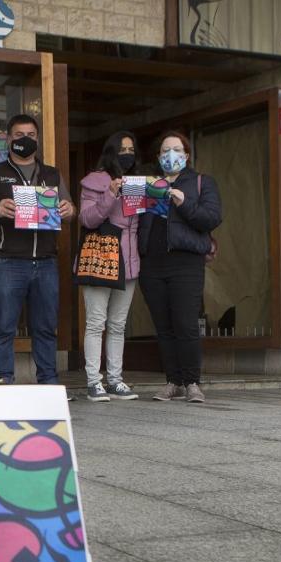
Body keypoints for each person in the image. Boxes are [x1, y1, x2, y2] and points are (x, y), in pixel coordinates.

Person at [0, 114, 76, 389]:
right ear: (8, 138)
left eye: (30, 135)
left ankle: (48, 382)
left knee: (46, 327)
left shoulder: (51, 174)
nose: (25, 139)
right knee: (4, 326)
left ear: (37, 138)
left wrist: (68, 210)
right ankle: (3, 380)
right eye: (18, 135)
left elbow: (70, 210)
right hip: (7, 261)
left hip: (46, 261)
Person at [138, 131, 222, 403]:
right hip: (152, 264)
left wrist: (184, 203)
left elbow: (212, 218)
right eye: (165, 151)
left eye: (176, 149)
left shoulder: (201, 182)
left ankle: (192, 382)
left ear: (186, 155)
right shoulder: (150, 185)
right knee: (163, 327)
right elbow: (133, 219)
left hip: (186, 263)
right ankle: (172, 381)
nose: (170, 155)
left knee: (186, 324)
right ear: (158, 156)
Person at [79, 131, 141, 402]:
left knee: (118, 325)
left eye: (131, 150)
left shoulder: (136, 183)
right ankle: (94, 382)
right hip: (101, 258)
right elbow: (87, 219)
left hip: (129, 261)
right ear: (110, 153)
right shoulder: (95, 181)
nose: (127, 154)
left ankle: (115, 380)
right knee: (96, 323)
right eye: (122, 150)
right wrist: (110, 195)